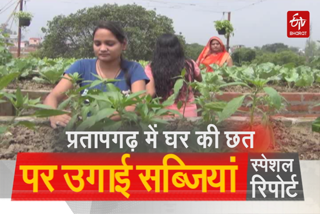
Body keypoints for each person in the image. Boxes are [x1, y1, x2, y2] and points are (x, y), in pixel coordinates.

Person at [44, 21, 149, 128]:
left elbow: (138, 105)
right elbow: (53, 96)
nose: (102, 49)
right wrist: (53, 114)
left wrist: (96, 119)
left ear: (123, 45)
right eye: (97, 44)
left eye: (110, 44)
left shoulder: (134, 69)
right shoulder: (81, 66)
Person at [145, 33, 202, 117]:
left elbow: (151, 92)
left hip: (163, 114)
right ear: (178, 48)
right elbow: (200, 79)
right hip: (188, 113)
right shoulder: (190, 64)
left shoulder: (151, 67)